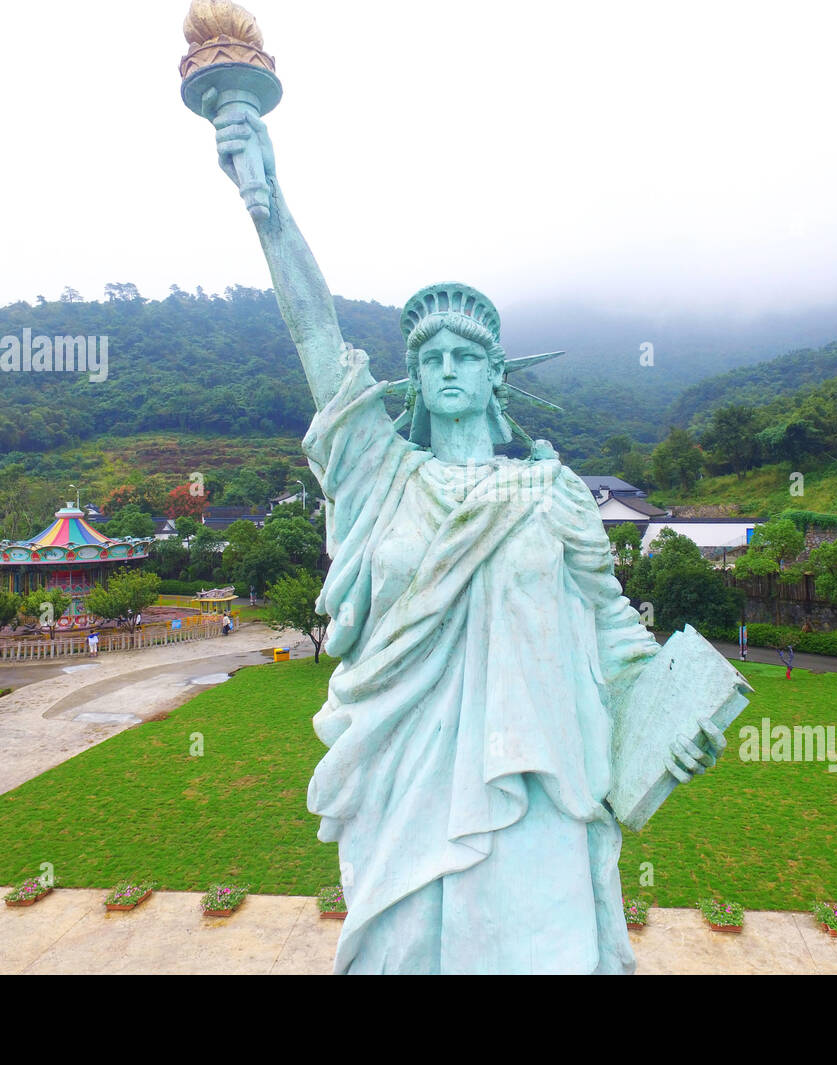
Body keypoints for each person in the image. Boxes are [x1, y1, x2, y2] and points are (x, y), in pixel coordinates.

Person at [209, 101, 722, 976]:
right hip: (407, 782)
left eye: (466, 355)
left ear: (494, 377)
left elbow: (611, 627)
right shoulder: (383, 476)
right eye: (432, 356)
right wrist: (269, 207)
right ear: (415, 377)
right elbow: (318, 340)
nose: (448, 367)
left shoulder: (553, 493)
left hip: (538, 781)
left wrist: (672, 720)